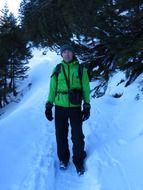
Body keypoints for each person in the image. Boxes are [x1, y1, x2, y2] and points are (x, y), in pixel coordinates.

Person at [45, 44, 91, 175]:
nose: (67, 54)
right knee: (61, 135)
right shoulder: (57, 69)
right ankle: (63, 159)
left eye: (69, 52)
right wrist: (49, 105)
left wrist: (87, 105)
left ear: (73, 53)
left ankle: (78, 160)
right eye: (64, 52)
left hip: (75, 107)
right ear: (61, 54)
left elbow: (86, 89)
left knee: (77, 136)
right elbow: (52, 88)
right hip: (60, 107)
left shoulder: (81, 69)